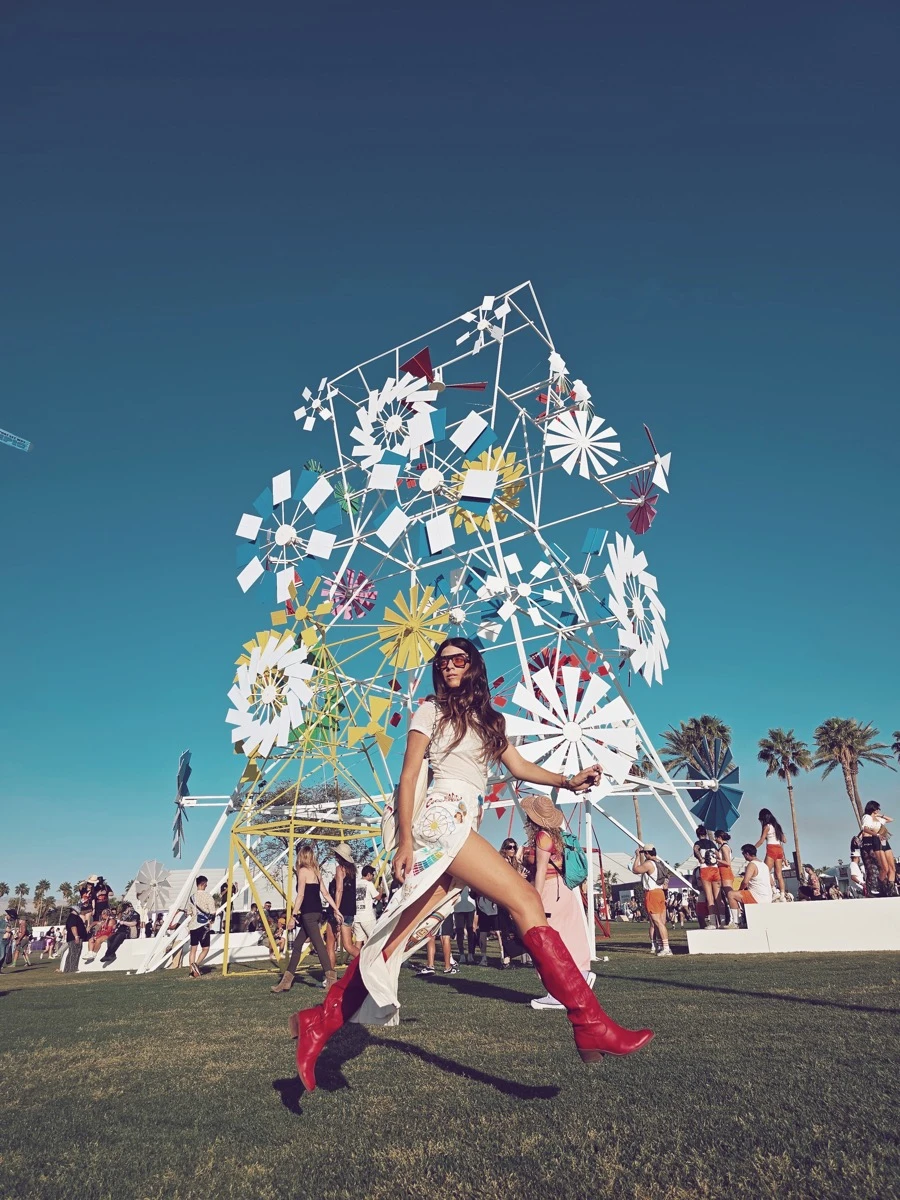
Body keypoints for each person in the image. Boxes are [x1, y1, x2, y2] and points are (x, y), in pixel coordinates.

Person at [289, 636, 653, 1091]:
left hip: (465, 819)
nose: (448, 667)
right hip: (441, 818)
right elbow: (408, 775)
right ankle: (589, 1022)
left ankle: (319, 1022)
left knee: (394, 938)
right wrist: (405, 840)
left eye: (458, 659)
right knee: (525, 900)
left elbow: (519, 767)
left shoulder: (489, 721)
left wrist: (567, 780)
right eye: (442, 662)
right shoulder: (430, 711)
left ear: (473, 665)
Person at [522, 793, 597, 1006]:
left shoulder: (542, 837)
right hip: (564, 889)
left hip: (549, 891)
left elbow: (541, 871)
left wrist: (535, 899)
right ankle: (581, 975)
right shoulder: (558, 837)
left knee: (546, 942)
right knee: (570, 936)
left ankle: (557, 993)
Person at [271, 843, 344, 993]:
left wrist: (292, 916)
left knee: (319, 945)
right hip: (316, 912)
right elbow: (325, 894)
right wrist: (336, 910)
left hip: (308, 913)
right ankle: (286, 981)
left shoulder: (303, 871)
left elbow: (301, 895)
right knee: (297, 945)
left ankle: (331, 978)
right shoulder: (316, 872)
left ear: (301, 857)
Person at [169, 875, 217, 978]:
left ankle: (192, 971)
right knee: (205, 948)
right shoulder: (208, 896)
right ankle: (196, 964)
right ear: (203, 884)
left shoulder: (192, 898)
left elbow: (189, 913)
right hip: (203, 926)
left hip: (193, 926)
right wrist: (212, 920)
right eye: (206, 884)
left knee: (193, 950)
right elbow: (213, 912)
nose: (206, 886)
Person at [631, 847, 672, 955]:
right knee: (660, 922)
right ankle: (662, 945)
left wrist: (637, 856)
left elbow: (635, 870)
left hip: (652, 893)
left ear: (647, 853)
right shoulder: (660, 863)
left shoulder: (649, 863)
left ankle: (666, 948)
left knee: (657, 922)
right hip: (660, 892)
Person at [325, 844, 359, 966]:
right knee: (348, 945)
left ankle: (330, 973)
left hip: (339, 909)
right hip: (349, 910)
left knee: (330, 945)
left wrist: (336, 910)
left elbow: (339, 890)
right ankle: (369, 963)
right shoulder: (352, 871)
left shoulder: (340, 869)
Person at [726, 844, 774, 923]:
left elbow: (745, 882)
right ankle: (745, 917)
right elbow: (772, 882)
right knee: (744, 894)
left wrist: (739, 889)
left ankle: (736, 922)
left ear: (747, 854)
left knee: (731, 894)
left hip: (757, 898)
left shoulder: (752, 864)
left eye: (743, 854)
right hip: (768, 898)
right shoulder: (764, 865)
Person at [861, 802, 896, 896]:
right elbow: (865, 829)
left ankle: (891, 890)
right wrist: (876, 834)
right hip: (876, 840)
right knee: (885, 868)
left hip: (884, 840)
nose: (878, 810)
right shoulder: (867, 817)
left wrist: (880, 815)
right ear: (872, 808)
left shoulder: (878, 818)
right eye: (877, 808)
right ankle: (878, 887)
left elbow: (891, 819)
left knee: (892, 867)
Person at [756, 809, 788, 900]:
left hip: (771, 848)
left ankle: (774, 891)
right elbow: (784, 840)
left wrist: (753, 847)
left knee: (766, 871)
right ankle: (782, 894)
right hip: (779, 849)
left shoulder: (767, 827)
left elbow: (762, 840)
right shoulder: (777, 826)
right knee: (779, 874)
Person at [693, 825, 722, 925]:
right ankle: (722, 921)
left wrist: (701, 858)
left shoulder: (698, 843)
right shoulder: (712, 843)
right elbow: (718, 855)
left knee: (710, 898)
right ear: (705, 833)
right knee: (718, 898)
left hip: (705, 869)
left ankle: (713, 922)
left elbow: (696, 849)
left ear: (698, 835)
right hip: (715, 869)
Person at [352, 865, 382, 948]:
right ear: (368, 874)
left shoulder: (355, 883)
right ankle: (373, 955)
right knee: (374, 939)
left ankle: (357, 956)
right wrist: (381, 888)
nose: (373, 877)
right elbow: (378, 897)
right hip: (367, 917)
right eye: (372, 875)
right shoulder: (369, 884)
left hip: (357, 917)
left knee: (358, 940)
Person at [473, 890, 504, 966]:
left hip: (494, 912)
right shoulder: (478, 892)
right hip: (483, 911)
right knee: (483, 934)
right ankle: (484, 958)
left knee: (498, 934)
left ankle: (503, 954)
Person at [452, 885, 477, 964]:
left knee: (470, 930)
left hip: (470, 907)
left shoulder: (470, 883)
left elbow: (474, 893)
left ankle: (470, 954)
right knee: (459, 931)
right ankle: (462, 955)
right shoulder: (456, 883)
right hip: (458, 908)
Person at [715, 830, 735, 923]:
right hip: (722, 871)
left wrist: (716, 860)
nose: (715, 839)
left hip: (725, 871)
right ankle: (731, 917)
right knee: (727, 896)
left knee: (729, 895)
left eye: (716, 837)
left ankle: (735, 918)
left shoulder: (724, 847)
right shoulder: (723, 847)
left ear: (719, 837)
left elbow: (727, 862)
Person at [63, 903, 87, 973]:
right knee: (74, 953)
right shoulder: (73, 917)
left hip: (72, 938)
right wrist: (76, 936)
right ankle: (72, 968)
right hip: (74, 938)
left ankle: (67, 969)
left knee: (71, 953)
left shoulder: (73, 917)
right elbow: (73, 927)